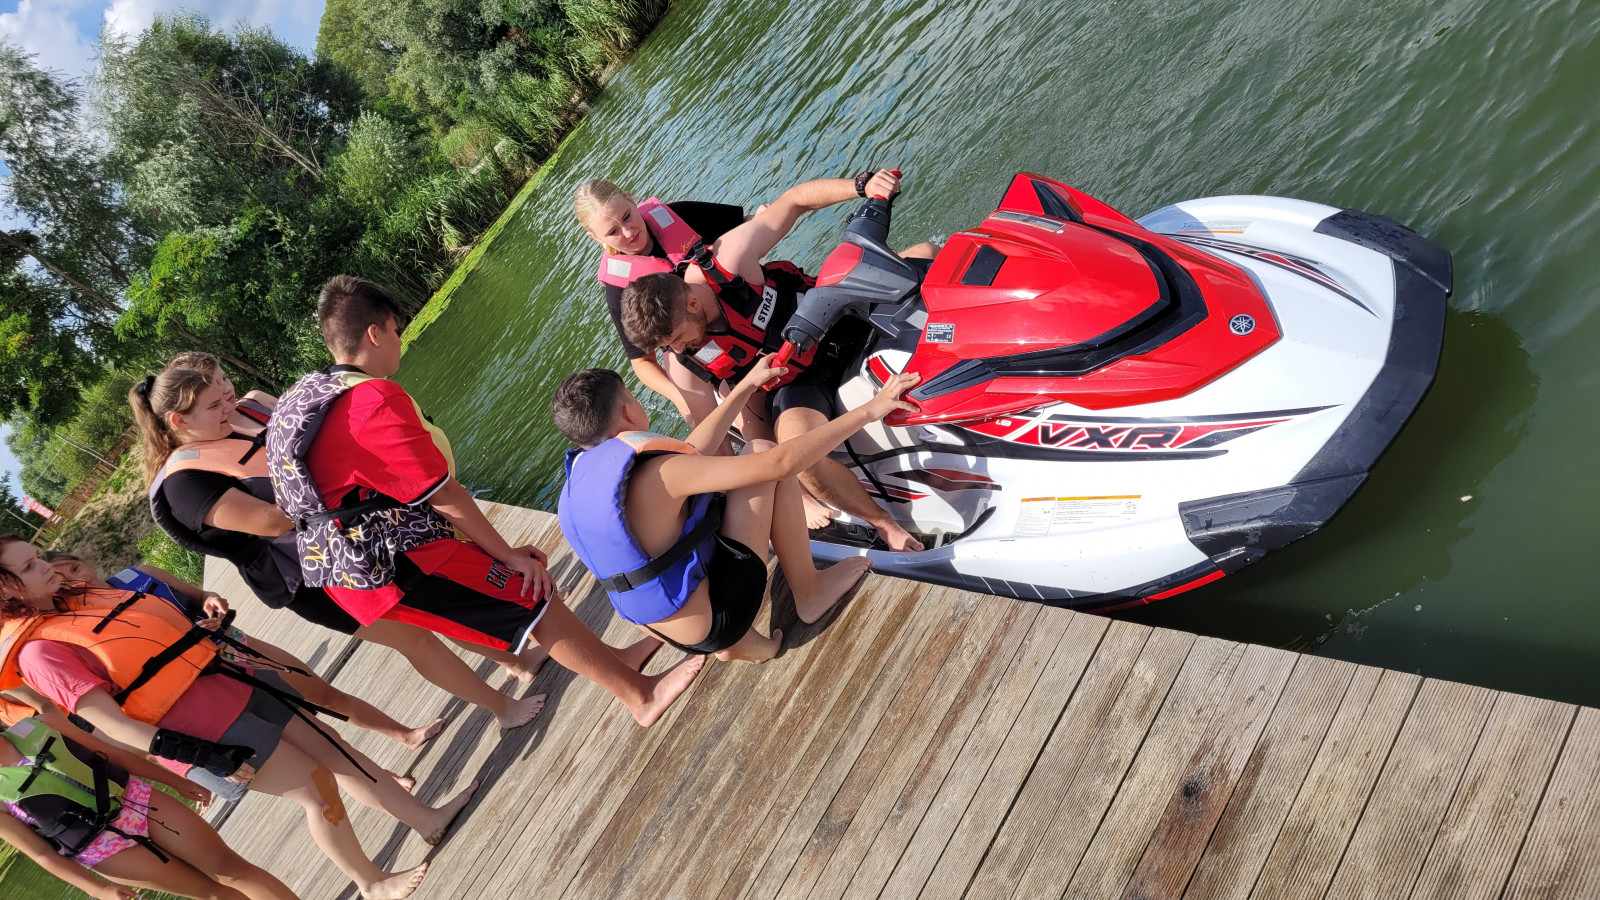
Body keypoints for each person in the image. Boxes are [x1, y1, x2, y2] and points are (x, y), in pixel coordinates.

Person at [266, 275, 703, 727]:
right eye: (395, 330)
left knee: (529, 596)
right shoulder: (369, 399)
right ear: (374, 334)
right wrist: (507, 554)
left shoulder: (307, 394)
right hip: (394, 562)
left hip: (352, 563)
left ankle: (619, 661)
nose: (400, 340)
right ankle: (640, 695)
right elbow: (442, 492)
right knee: (532, 593)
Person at [0, 538, 467, 900]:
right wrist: (200, 755)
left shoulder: (81, 600)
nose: (46, 565)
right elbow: (113, 725)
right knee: (315, 787)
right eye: (29, 567)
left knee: (334, 750)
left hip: (227, 680)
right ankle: (370, 882)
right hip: (202, 727)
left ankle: (425, 818)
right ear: (6, 592)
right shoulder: (39, 653)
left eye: (37, 557)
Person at [132, 363, 549, 731]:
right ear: (179, 421)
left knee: (441, 607)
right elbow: (275, 521)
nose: (228, 404)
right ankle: (501, 708)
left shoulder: (241, 415)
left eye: (224, 390)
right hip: (312, 577)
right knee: (415, 638)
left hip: (358, 535)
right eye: (214, 405)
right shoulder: (185, 485)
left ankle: (515, 660)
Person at [620, 169, 938, 551]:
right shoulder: (685, 366)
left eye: (674, 339)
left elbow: (794, 202)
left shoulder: (730, 259)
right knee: (799, 453)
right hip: (799, 383)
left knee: (927, 253)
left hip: (841, 317)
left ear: (692, 303)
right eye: (668, 347)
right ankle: (885, 524)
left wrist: (861, 186)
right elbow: (714, 446)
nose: (676, 351)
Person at [553, 356, 918, 661]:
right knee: (761, 452)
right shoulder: (658, 474)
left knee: (693, 520)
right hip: (719, 617)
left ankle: (741, 643)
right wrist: (869, 410)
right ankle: (810, 592)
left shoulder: (579, 486)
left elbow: (693, 452)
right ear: (628, 411)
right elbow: (780, 464)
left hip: (671, 632)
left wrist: (745, 386)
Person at [0, 604, 303, 900]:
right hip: (98, 846)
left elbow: (113, 755)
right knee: (212, 894)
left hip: (137, 799)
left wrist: (178, 781)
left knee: (232, 871)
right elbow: (40, 853)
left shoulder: (42, 725)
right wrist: (97, 889)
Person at [45, 551, 431, 762]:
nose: (79, 579)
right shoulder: (87, 629)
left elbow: (202, 595)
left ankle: (405, 734)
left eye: (76, 567)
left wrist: (211, 600)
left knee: (323, 694)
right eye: (66, 582)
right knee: (300, 732)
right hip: (207, 681)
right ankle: (381, 777)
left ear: (85, 560)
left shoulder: (140, 574)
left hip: (238, 644)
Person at [572, 181, 748, 431]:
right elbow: (642, 362)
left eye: (627, 216)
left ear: (632, 200)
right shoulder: (618, 290)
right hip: (705, 350)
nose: (628, 232)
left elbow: (747, 225)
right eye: (613, 232)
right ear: (595, 238)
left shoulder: (677, 216)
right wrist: (680, 398)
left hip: (744, 308)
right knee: (738, 406)